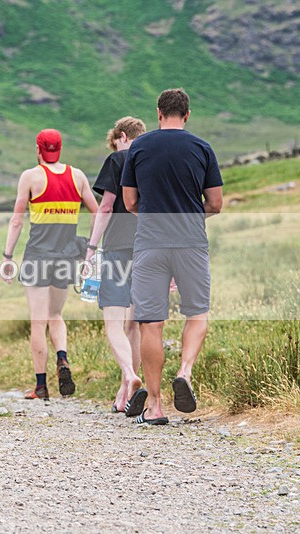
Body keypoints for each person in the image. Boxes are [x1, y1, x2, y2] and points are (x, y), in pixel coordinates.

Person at [121, 88, 223, 425]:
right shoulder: (202, 148)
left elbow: (130, 202)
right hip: (191, 241)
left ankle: (155, 406)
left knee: (150, 322)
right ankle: (185, 371)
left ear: (159, 113)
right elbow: (215, 203)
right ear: (187, 114)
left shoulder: (139, 147)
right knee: (197, 312)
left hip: (150, 242)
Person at [2, 129, 98, 400]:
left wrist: (7, 257)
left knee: (38, 321)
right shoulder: (77, 176)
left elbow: (17, 221)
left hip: (37, 257)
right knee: (56, 314)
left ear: (38, 149)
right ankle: (62, 358)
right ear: (60, 148)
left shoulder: (30, 177)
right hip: (66, 257)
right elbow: (98, 211)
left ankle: (41, 386)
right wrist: (90, 248)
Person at [84, 117, 147, 417]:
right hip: (147, 246)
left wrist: (91, 248)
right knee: (134, 324)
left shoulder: (118, 159)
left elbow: (106, 206)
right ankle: (125, 392)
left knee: (113, 322)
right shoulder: (151, 159)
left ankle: (130, 375)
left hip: (118, 247)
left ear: (121, 136)